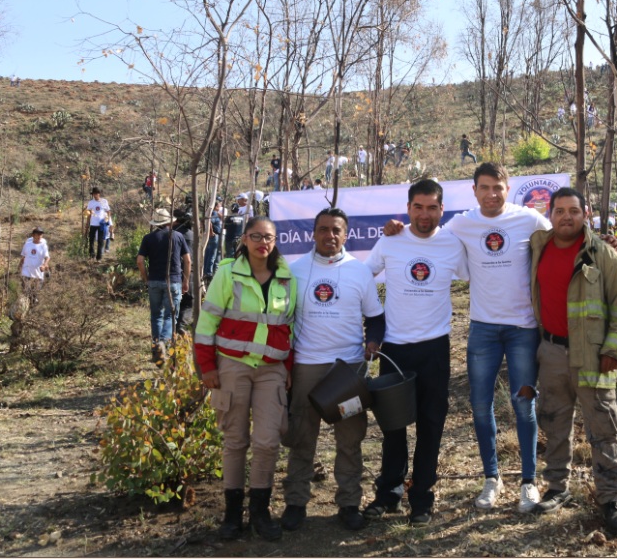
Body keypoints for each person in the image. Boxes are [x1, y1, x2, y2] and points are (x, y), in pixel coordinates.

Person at [382, 163, 550, 512]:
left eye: (497, 187)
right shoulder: (461, 224)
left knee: (524, 405)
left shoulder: (529, 219)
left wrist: (604, 242)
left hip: (523, 329)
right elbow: (425, 232)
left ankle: (529, 481)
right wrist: (397, 228)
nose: (491, 194)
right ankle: (492, 478)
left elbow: (563, 241)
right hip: (483, 329)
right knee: (480, 407)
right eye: (484, 187)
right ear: (474, 191)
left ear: (508, 189)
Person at [529, 187, 617, 534]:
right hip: (551, 353)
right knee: (554, 422)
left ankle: (610, 499)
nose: (566, 217)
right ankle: (557, 488)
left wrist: (614, 349)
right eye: (560, 211)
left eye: (573, 211)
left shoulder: (602, 253)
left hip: (593, 356)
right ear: (550, 215)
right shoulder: (537, 247)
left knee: (603, 427)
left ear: (585, 214)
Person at [363, 179, 469, 527]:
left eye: (432, 207)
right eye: (418, 207)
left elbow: (479, 273)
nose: (425, 214)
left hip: (435, 348)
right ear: (408, 209)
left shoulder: (452, 243)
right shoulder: (390, 240)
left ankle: (422, 497)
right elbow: (362, 278)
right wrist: (372, 328)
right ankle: (388, 493)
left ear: (442, 209)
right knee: (393, 426)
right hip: (395, 348)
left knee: (431, 424)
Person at [280, 208, 385, 532]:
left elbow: (376, 318)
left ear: (346, 234)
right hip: (306, 366)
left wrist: (373, 342)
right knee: (301, 437)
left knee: (350, 439)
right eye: (323, 229)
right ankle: (295, 502)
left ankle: (349, 503)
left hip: (348, 370)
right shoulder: (295, 271)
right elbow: (283, 321)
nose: (330, 236)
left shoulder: (359, 272)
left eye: (336, 230)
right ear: (313, 233)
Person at [195, 216, 296, 542]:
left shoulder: (286, 277)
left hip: (272, 371)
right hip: (232, 367)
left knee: (268, 441)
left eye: (268, 237)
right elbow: (207, 324)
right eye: (256, 236)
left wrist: (288, 368)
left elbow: (289, 327)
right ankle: (232, 515)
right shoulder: (228, 273)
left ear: (275, 241)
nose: (262, 243)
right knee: (235, 440)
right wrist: (207, 367)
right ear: (244, 239)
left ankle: (260, 512)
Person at [137, 208, 191, 363]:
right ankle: (163, 342)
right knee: (170, 315)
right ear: (170, 222)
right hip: (173, 281)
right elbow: (188, 261)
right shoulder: (178, 236)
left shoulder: (148, 238)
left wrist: (146, 278)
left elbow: (140, 261)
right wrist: (185, 281)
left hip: (154, 281)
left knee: (156, 315)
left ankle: (156, 348)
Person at [173, 208, 195, 336]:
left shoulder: (171, 233)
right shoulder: (192, 235)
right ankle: (181, 325)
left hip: (172, 271)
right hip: (189, 271)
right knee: (188, 301)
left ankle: (173, 327)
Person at [20, 227, 50, 303]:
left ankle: (32, 304)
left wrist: (44, 265)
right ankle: (24, 305)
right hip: (26, 272)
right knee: (26, 291)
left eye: (41, 234)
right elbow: (23, 256)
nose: (39, 236)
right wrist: (19, 266)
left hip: (38, 273)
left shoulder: (43, 246)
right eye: (38, 234)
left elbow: (47, 257)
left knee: (35, 293)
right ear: (33, 235)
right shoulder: (27, 244)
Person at [85, 187, 111, 261]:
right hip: (93, 224)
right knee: (91, 240)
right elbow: (89, 214)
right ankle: (92, 255)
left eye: (96, 193)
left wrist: (107, 220)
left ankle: (99, 257)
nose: (94, 195)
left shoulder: (104, 201)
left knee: (100, 241)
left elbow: (108, 211)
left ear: (99, 194)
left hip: (101, 224)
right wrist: (87, 223)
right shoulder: (91, 202)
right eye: (93, 194)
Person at [203, 200, 224, 280]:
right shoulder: (214, 214)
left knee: (208, 254)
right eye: (219, 206)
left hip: (211, 236)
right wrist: (211, 232)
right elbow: (210, 222)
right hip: (214, 236)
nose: (220, 207)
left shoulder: (213, 213)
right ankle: (209, 273)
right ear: (215, 207)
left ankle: (206, 271)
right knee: (212, 255)